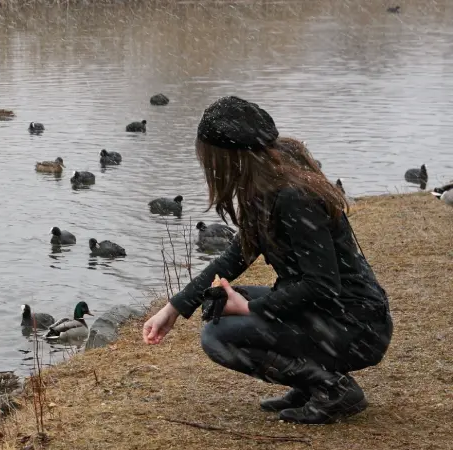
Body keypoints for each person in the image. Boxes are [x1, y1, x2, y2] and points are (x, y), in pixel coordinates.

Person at [143, 96, 392, 424]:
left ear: (228, 156)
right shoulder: (269, 177)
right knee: (217, 303)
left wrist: (249, 309)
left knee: (218, 336)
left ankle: (333, 389)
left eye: (209, 157)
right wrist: (173, 309)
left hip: (358, 327)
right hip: (336, 314)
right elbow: (237, 255)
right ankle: (310, 384)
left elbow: (322, 284)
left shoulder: (292, 197)